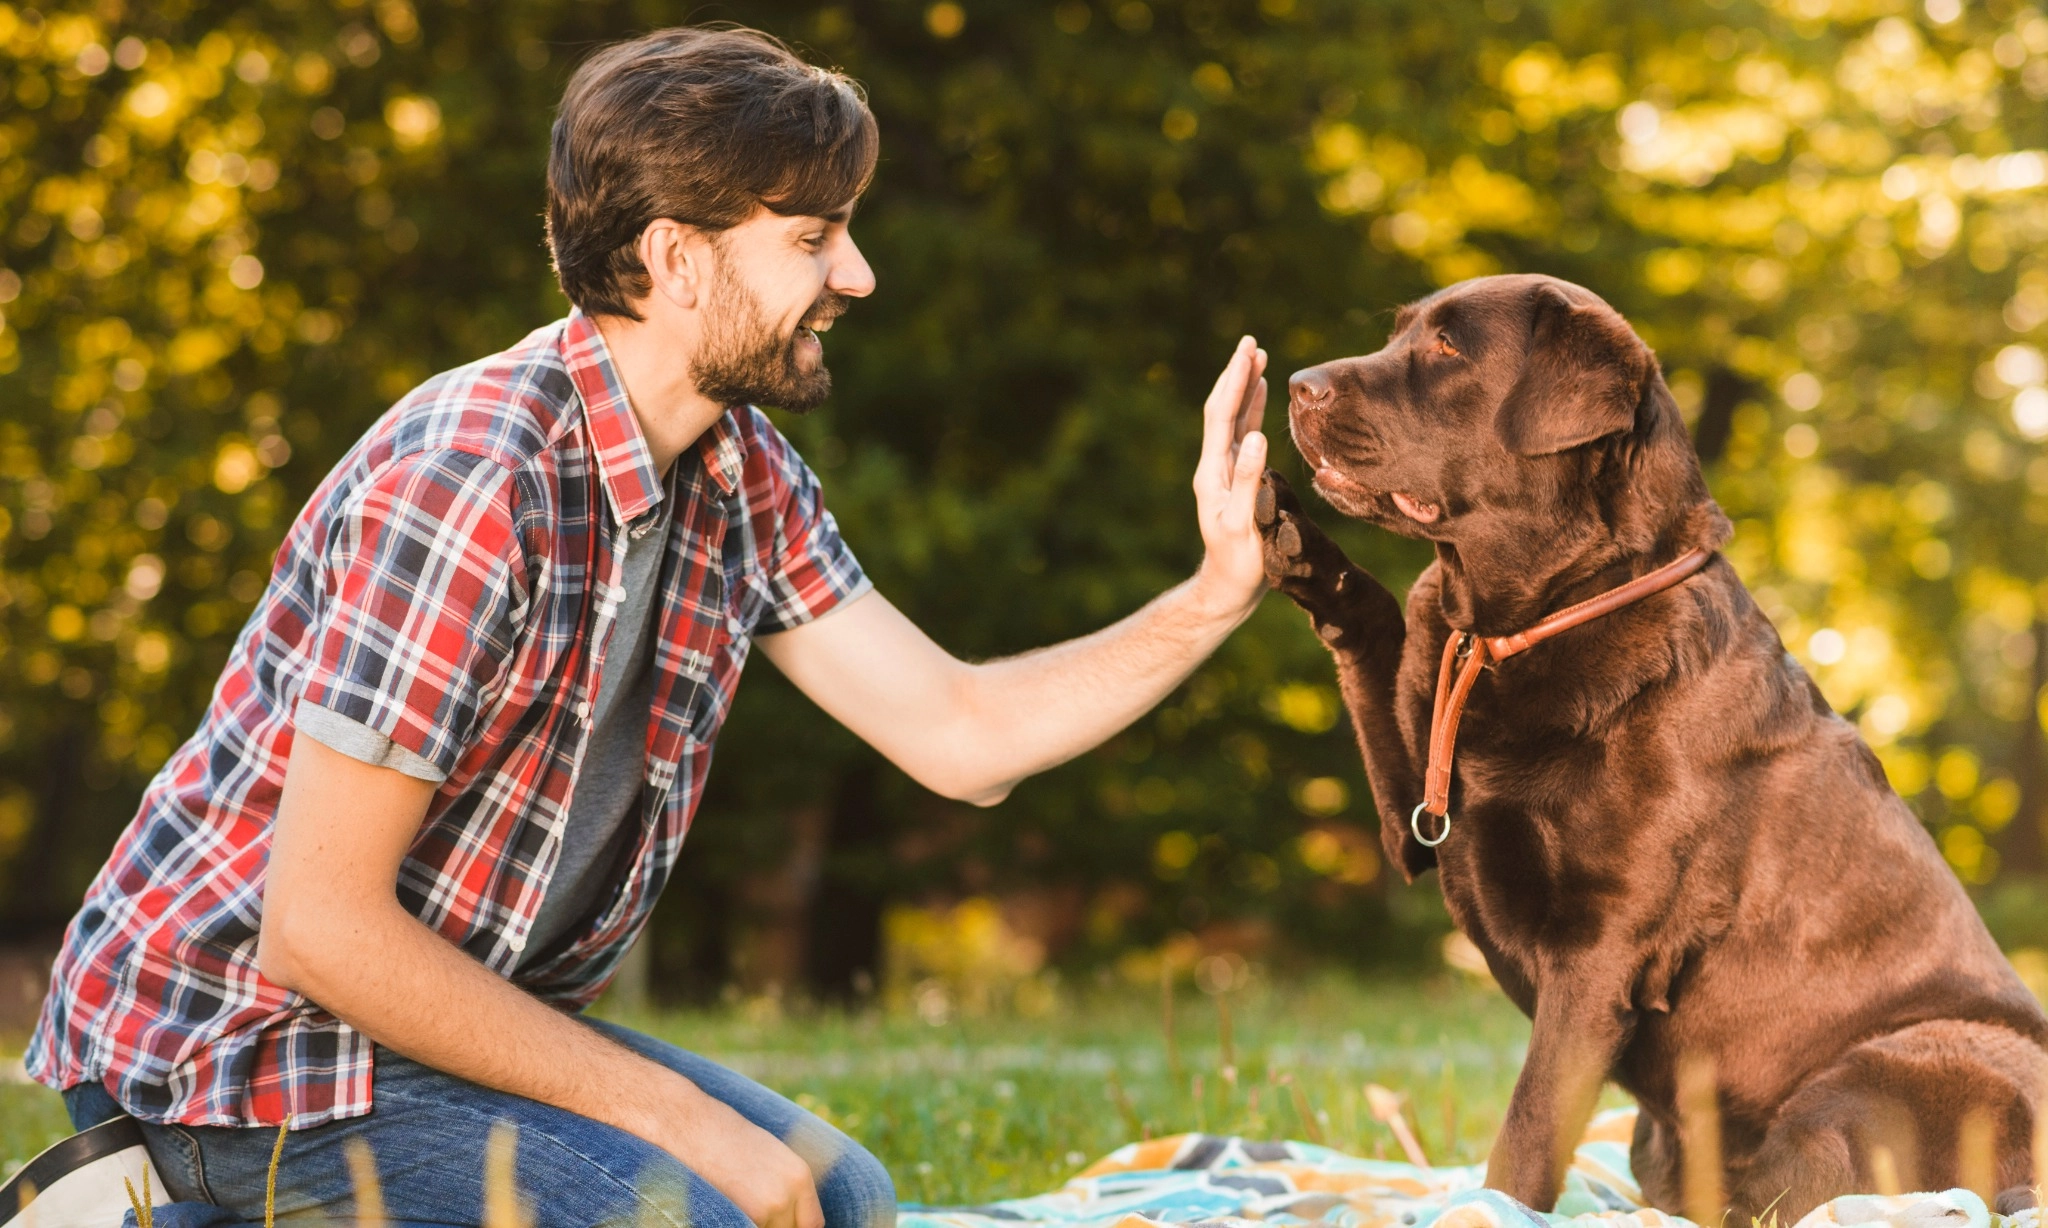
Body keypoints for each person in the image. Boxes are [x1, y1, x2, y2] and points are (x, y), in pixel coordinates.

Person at [25, 25, 1272, 1228]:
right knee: (695, 1202)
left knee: (845, 1198)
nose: (856, 275)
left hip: (421, 1036)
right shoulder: (473, 478)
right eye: (813, 237)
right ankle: (146, 1196)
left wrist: (1212, 589)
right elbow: (321, 929)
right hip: (237, 1055)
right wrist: (668, 1113)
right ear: (679, 259)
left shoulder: (741, 474)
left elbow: (961, 734)